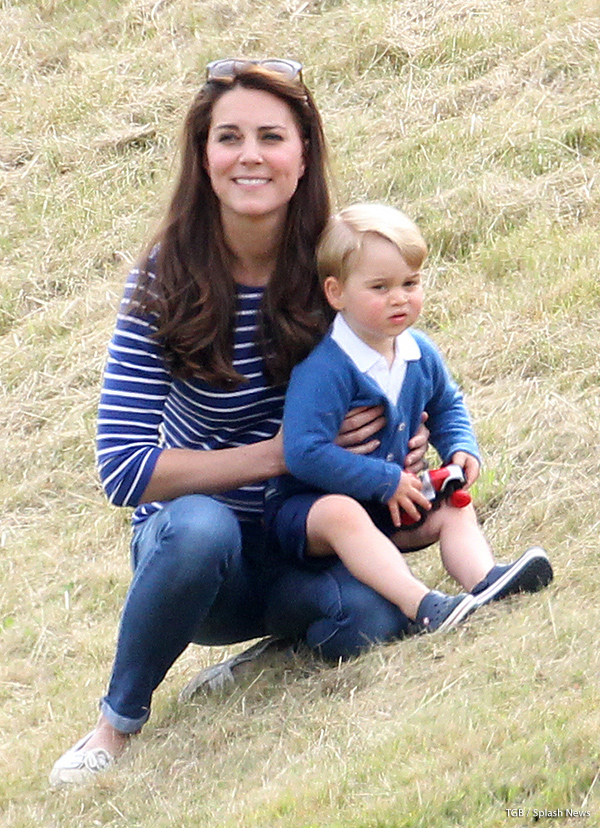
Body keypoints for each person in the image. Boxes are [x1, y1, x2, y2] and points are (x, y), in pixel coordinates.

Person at [49, 60, 431, 788]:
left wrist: (403, 437)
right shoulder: (163, 278)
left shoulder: (339, 268)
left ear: (304, 154)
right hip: (198, 567)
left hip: (306, 544)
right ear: (204, 156)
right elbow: (123, 469)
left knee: (373, 625)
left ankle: (272, 649)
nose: (250, 155)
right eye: (229, 137)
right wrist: (282, 453)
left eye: (270, 137)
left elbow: (398, 384)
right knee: (200, 527)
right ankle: (115, 724)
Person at [264, 203, 553, 637]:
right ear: (336, 292)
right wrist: (382, 478)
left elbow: (446, 403)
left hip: (387, 502)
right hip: (310, 514)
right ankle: (423, 605)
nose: (399, 298)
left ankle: (485, 580)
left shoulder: (419, 351)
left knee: (452, 502)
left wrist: (460, 445)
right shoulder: (324, 368)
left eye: (410, 283)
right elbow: (302, 453)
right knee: (342, 512)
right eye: (380, 287)